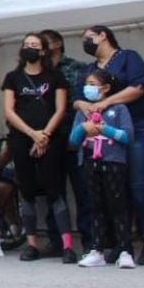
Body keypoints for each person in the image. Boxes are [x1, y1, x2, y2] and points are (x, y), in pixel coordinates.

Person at [73, 25, 144, 265]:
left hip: (136, 126)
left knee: (139, 184)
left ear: (104, 36)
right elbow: (77, 98)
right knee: (111, 188)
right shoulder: (89, 69)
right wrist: (83, 106)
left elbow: (138, 88)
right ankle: (121, 243)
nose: (86, 42)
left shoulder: (128, 58)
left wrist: (106, 102)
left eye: (89, 38)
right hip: (102, 133)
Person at [1, 32, 74, 263]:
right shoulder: (13, 78)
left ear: (43, 51)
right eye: (26, 45)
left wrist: (44, 136)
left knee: (55, 191)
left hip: (51, 140)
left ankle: (68, 245)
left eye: (35, 45)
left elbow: (60, 109)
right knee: (27, 192)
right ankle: (32, 244)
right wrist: (32, 134)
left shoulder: (56, 77)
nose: (30, 48)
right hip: (22, 140)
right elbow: (9, 111)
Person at [70, 69, 136, 269]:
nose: (88, 88)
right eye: (86, 84)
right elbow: (73, 141)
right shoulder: (85, 112)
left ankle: (124, 249)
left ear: (106, 88)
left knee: (118, 205)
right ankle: (97, 249)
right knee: (95, 206)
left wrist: (104, 129)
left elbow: (128, 137)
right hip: (90, 161)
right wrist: (84, 128)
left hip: (114, 161)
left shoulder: (119, 109)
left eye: (93, 84)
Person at [40, 28, 92, 252]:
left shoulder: (76, 68)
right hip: (49, 138)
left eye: (46, 43)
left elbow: (80, 99)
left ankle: (91, 240)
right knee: (53, 190)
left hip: (74, 135)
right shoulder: (37, 72)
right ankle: (57, 240)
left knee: (83, 190)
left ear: (58, 44)